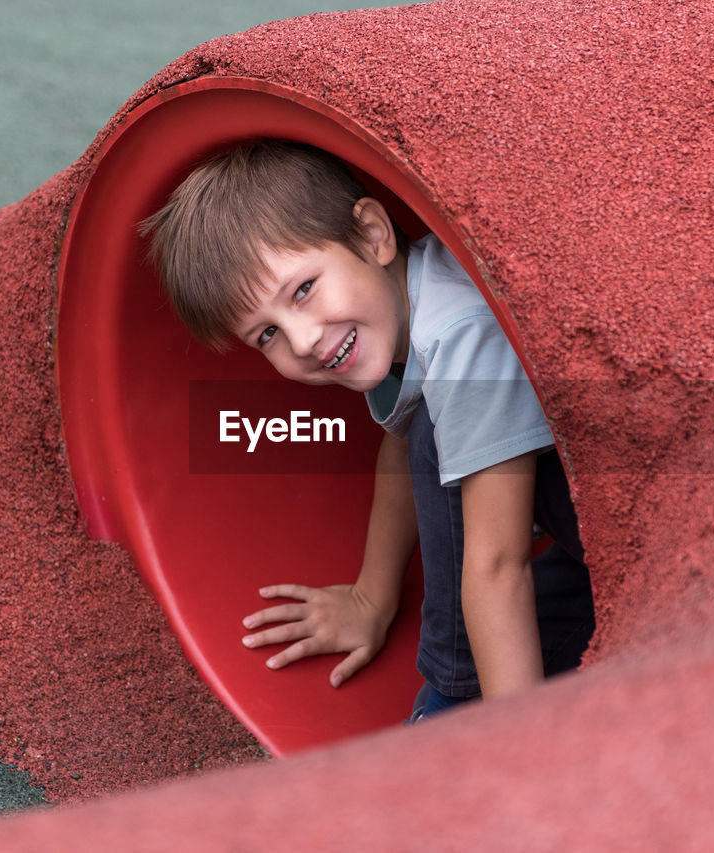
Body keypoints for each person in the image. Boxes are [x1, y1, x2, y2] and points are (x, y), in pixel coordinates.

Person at [140, 141, 594, 720]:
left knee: (438, 435)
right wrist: (370, 599)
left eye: (303, 290)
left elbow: (497, 565)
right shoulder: (406, 304)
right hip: (590, 552)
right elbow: (399, 450)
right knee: (426, 433)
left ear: (374, 233)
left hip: (626, 519)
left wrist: (516, 744)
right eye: (267, 336)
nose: (302, 340)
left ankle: (461, 697)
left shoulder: (460, 334)